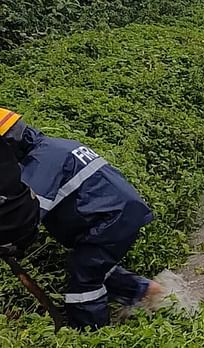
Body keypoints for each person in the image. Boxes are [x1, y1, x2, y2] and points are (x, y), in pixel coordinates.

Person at [0, 108, 163, 329]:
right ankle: (147, 292)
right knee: (92, 264)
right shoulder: (52, 146)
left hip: (110, 221)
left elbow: (27, 219)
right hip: (118, 214)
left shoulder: (40, 165)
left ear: (7, 143)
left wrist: (9, 242)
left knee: (83, 283)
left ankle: (93, 334)